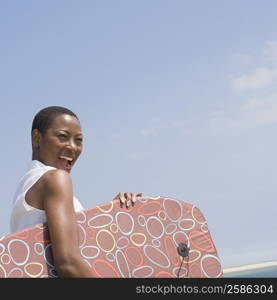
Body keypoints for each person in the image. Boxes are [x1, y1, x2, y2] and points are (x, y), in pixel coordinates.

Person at [10, 106, 142, 277]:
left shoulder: (26, 187)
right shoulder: (56, 179)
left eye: (78, 140)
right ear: (37, 138)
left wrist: (113, 215)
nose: (72, 147)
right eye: (63, 137)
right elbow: (68, 263)